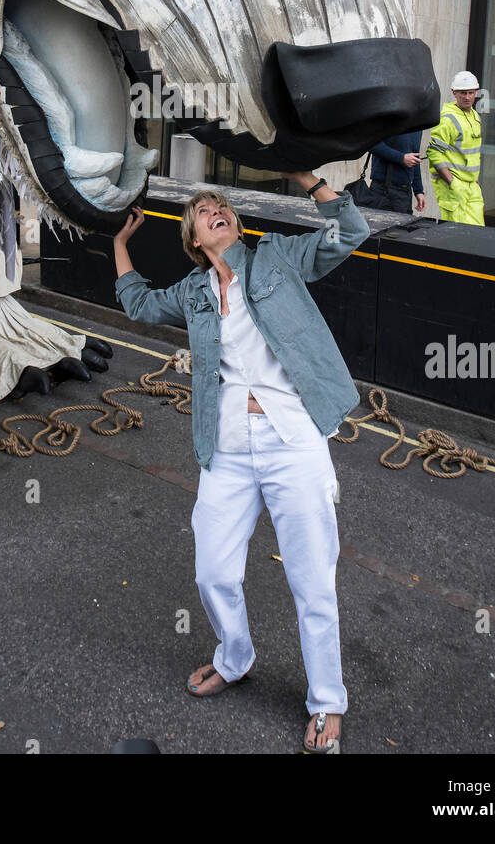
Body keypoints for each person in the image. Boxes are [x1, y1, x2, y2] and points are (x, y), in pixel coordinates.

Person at [113, 171, 371, 753]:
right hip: (226, 445)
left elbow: (349, 231)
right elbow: (138, 305)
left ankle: (327, 700)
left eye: (220, 205)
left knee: (311, 580)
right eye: (203, 210)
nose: (214, 209)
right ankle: (235, 657)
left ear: (236, 223)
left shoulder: (277, 259)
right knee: (213, 571)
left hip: (292, 439)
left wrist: (312, 182)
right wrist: (121, 244)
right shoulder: (194, 292)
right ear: (194, 239)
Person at [426, 71, 485, 225]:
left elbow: (470, 152)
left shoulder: (475, 116)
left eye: (471, 93)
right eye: (463, 93)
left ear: (476, 93)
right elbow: (434, 153)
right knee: (457, 237)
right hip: (454, 186)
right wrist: (451, 181)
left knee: (477, 234)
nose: (467, 97)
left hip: (472, 185)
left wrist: (474, 179)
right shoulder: (447, 119)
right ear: (454, 93)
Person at [369, 132, 426, 213]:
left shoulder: (417, 125)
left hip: (405, 193)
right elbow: (371, 144)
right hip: (384, 190)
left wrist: (418, 191)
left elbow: (414, 158)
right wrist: (401, 158)